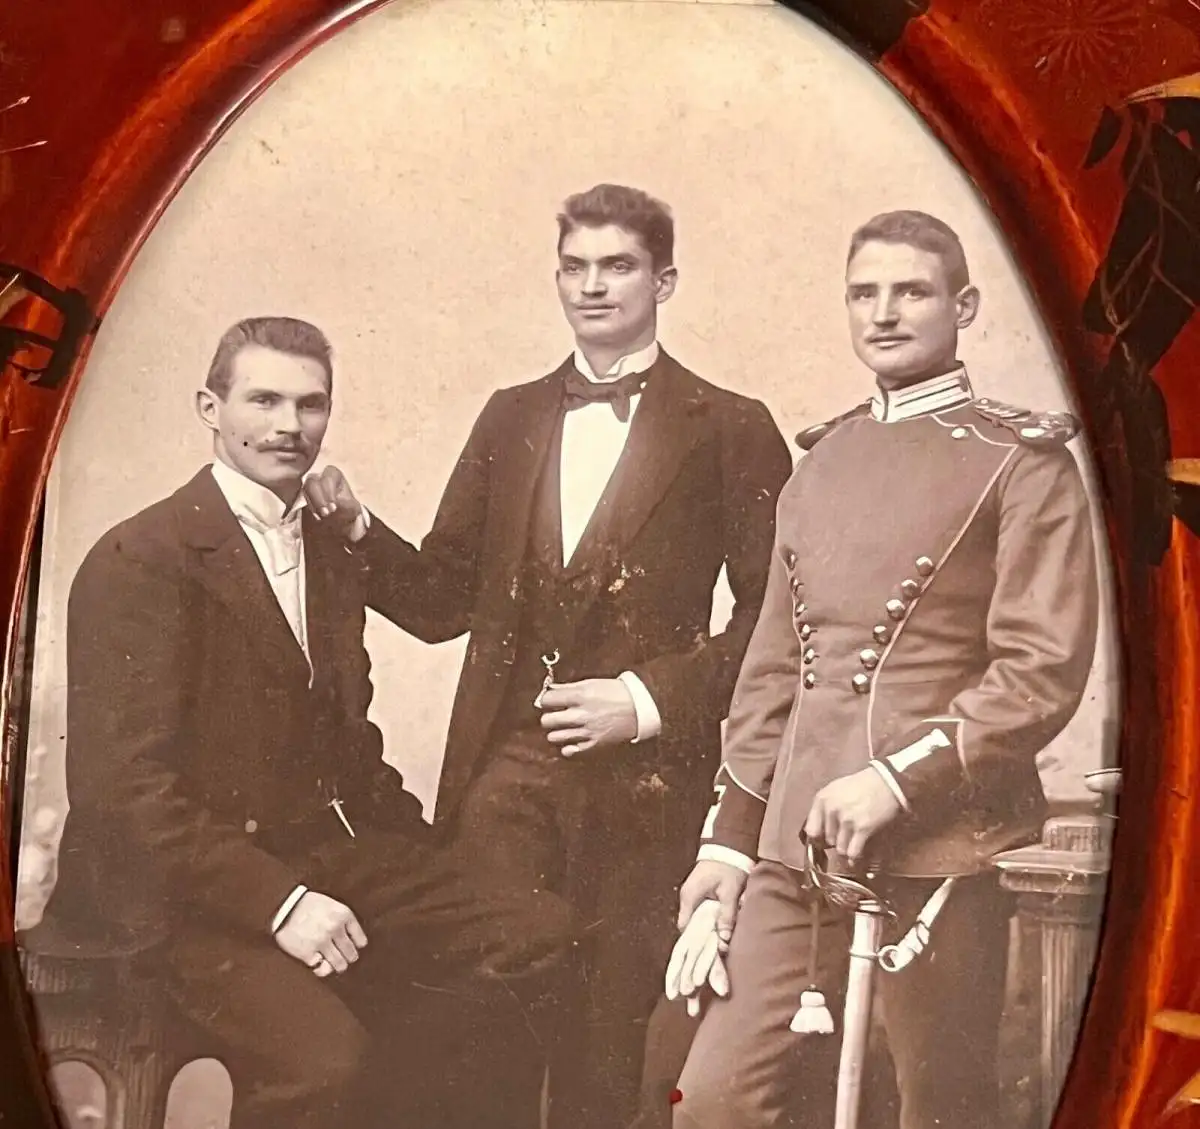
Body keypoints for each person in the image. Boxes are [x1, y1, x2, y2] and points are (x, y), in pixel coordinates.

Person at [306, 184, 793, 1129]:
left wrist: (644, 699)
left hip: (650, 785)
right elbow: (444, 600)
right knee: (481, 1032)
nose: (593, 286)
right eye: (576, 267)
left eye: (618, 266)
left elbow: (775, 621)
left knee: (606, 1040)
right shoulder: (512, 415)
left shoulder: (731, 425)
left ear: (664, 281)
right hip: (509, 780)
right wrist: (360, 532)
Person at [51, 317, 571, 1129]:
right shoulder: (142, 557)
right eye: (263, 400)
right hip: (175, 893)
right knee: (325, 1061)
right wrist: (282, 903)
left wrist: (427, 860)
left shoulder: (330, 545)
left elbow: (351, 737)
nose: (288, 425)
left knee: (536, 929)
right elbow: (122, 793)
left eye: (310, 404)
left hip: (318, 853)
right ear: (210, 408)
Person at [646, 210, 1101, 1129]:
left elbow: (1039, 670)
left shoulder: (1023, 462)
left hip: (943, 841)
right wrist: (728, 845)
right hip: (796, 848)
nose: (884, 312)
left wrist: (894, 780)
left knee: (937, 1111)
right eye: (865, 293)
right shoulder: (822, 464)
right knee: (712, 1102)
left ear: (963, 306)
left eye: (912, 291)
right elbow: (772, 675)